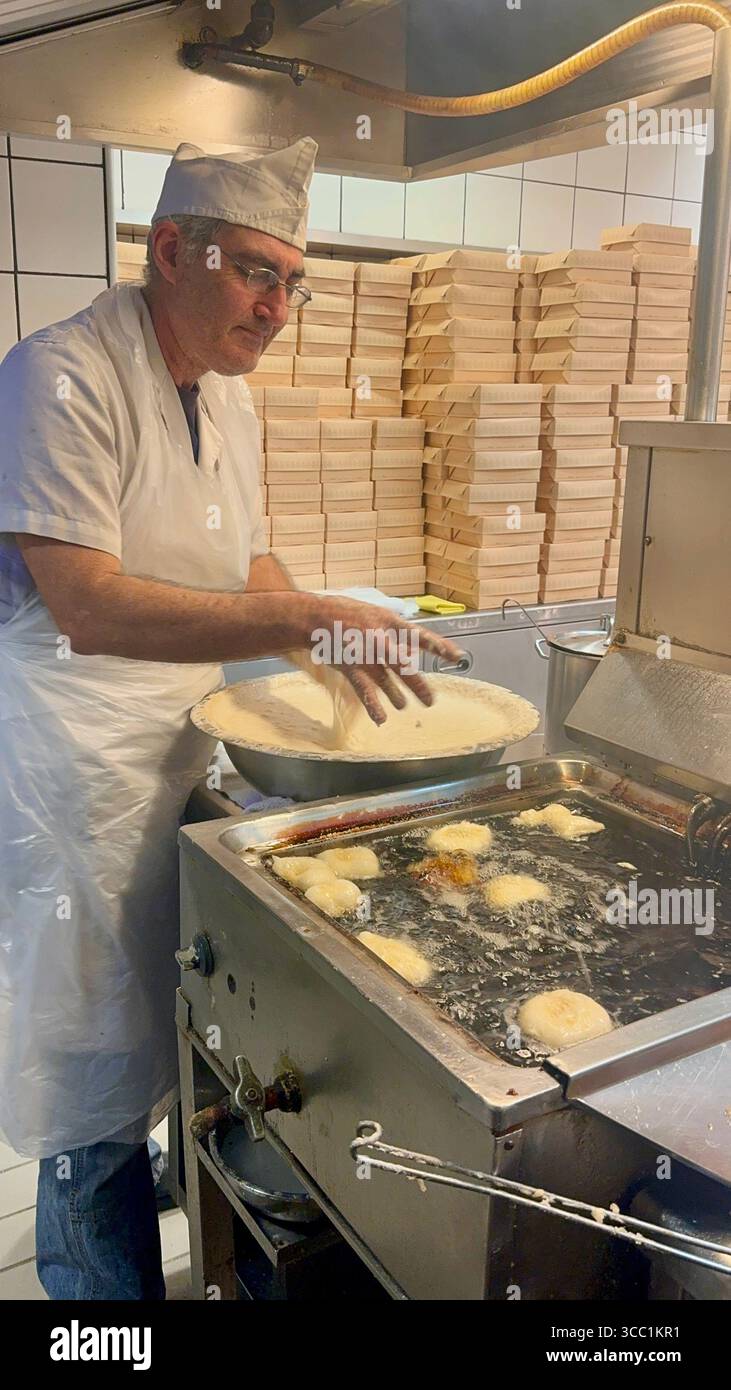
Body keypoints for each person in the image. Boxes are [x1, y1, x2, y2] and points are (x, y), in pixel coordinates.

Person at [0, 137, 460, 1299]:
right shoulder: (59, 375)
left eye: (293, 282)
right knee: (95, 1079)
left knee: (190, 1017)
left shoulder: (229, 404)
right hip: (80, 781)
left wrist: (330, 639)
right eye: (258, 271)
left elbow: (248, 567)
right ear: (168, 249)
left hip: (185, 753)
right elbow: (87, 603)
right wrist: (298, 618)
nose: (279, 306)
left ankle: (174, 1195)